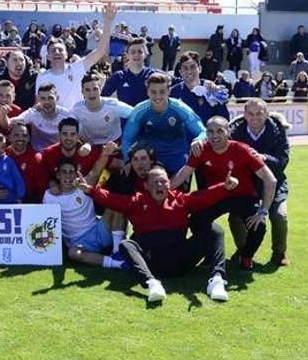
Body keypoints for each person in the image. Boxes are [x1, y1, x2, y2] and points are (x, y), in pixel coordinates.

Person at [77, 165, 235, 303]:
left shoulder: (181, 201)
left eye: (164, 181)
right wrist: (90, 190)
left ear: (169, 184)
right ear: (146, 185)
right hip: (151, 263)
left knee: (215, 230)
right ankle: (151, 283)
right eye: (155, 182)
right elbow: (111, 199)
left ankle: (217, 281)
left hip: (181, 261)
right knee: (126, 245)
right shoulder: (136, 202)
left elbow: (203, 197)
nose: (160, 185)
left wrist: (224, 187)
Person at [170, 116, 277, 271]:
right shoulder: (201, 150)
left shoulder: (242, 150)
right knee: (196, 220)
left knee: (258, 225)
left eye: (220, 131)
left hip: (243, 196)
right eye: (210, 131)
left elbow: (270, 180)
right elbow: (182, 175)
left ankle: (246, 256)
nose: (215, 135)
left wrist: (263, 211)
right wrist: (162, 192)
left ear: (228, 132)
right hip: (217, 195)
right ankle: (208, 249)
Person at [230, 99, 292, 266]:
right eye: (250, 113)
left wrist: (262, 158)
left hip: (275, 184)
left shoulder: (278, 131)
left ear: (266, 113)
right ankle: (243, 251)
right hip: (246, 186)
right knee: (235, 217)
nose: (255, 117)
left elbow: (282, 161)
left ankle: (279, 253)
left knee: (279, 216)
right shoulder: (234, 133)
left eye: (259, 113)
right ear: (244, 115)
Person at [44, 158, 128, 270]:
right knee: (73, 253)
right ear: (58, 175)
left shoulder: (84, 186)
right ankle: (116, 264)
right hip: (79, 242)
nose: (68, 176)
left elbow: (97, 170)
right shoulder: (49, 196)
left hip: (99, 230)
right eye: (64, 172)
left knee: (116, 205)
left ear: (76, 174)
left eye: (71, 172)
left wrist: (106, 153)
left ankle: (117, 252)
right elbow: (47, 223)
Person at [120, 73, 206, 175]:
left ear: (169, 91)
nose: (157, 96)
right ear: (147, 92)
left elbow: (202, 131)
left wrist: (199, 140)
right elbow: (127, 138)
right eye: (153, 92)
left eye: (162, 92)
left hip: (177, 155)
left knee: (179, 190)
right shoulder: (139, 111)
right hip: (151, 156)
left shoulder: (181, 109)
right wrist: (128, 159)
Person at [37, 3, 117, 110]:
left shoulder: (77, 68)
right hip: (52, 125)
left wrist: (107, 23)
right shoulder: (42, 77)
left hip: (77, 124)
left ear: (66, 54)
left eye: (60, 50)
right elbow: (38, 105)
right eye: (53, 50)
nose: (57, 52)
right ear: (47, 56)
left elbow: (101, 50)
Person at [71, 73, 133, 145]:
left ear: (100, 89)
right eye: (87, 90)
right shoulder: (77, 109)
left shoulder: (113, 105)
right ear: (82, 92)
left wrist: (129, 136)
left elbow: (135, 114)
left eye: (95, 89)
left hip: (113, 144)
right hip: (89, 146)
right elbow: (68, 127)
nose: (92, 93)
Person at [169, 52, 230, 124]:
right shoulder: (173, 93)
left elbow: (224, 119)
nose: (189, 71)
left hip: (208, 134)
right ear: (180, 72)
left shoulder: (213, 90)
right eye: (185, 68)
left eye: (192, 67)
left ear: (200, 69)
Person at [7, 83, 71, 152]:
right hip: (37, 155)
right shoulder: (33, 113)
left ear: (57, 98)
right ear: (38, 99)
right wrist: (3, 114)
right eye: (43, 98)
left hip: (58, 154)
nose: (46, 102)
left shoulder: (66, 115)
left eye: (50, 98)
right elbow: (9, 123)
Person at [103, 37, 157, 107]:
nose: (136, 54)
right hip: (126, 117)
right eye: (133, 52)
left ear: (146, 54)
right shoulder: (119, 76)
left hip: (146, 117)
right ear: (127, 55)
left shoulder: (152, 75)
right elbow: (102, 97)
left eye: (140, 52)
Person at [5, 121, 47, 203]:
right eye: (16, 135)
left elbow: (42, 189)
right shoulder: (2, 154)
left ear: (28, 138)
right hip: (5, 198)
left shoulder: (37, 158)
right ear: (9, 137)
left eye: (24, 135)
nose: (20, 138)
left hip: (29, 201)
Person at [0, 133, 25, 204]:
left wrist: (19, 196)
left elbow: (18, 180)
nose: (0, 150)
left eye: (3, 147)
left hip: (11, 199)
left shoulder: (9, 161)